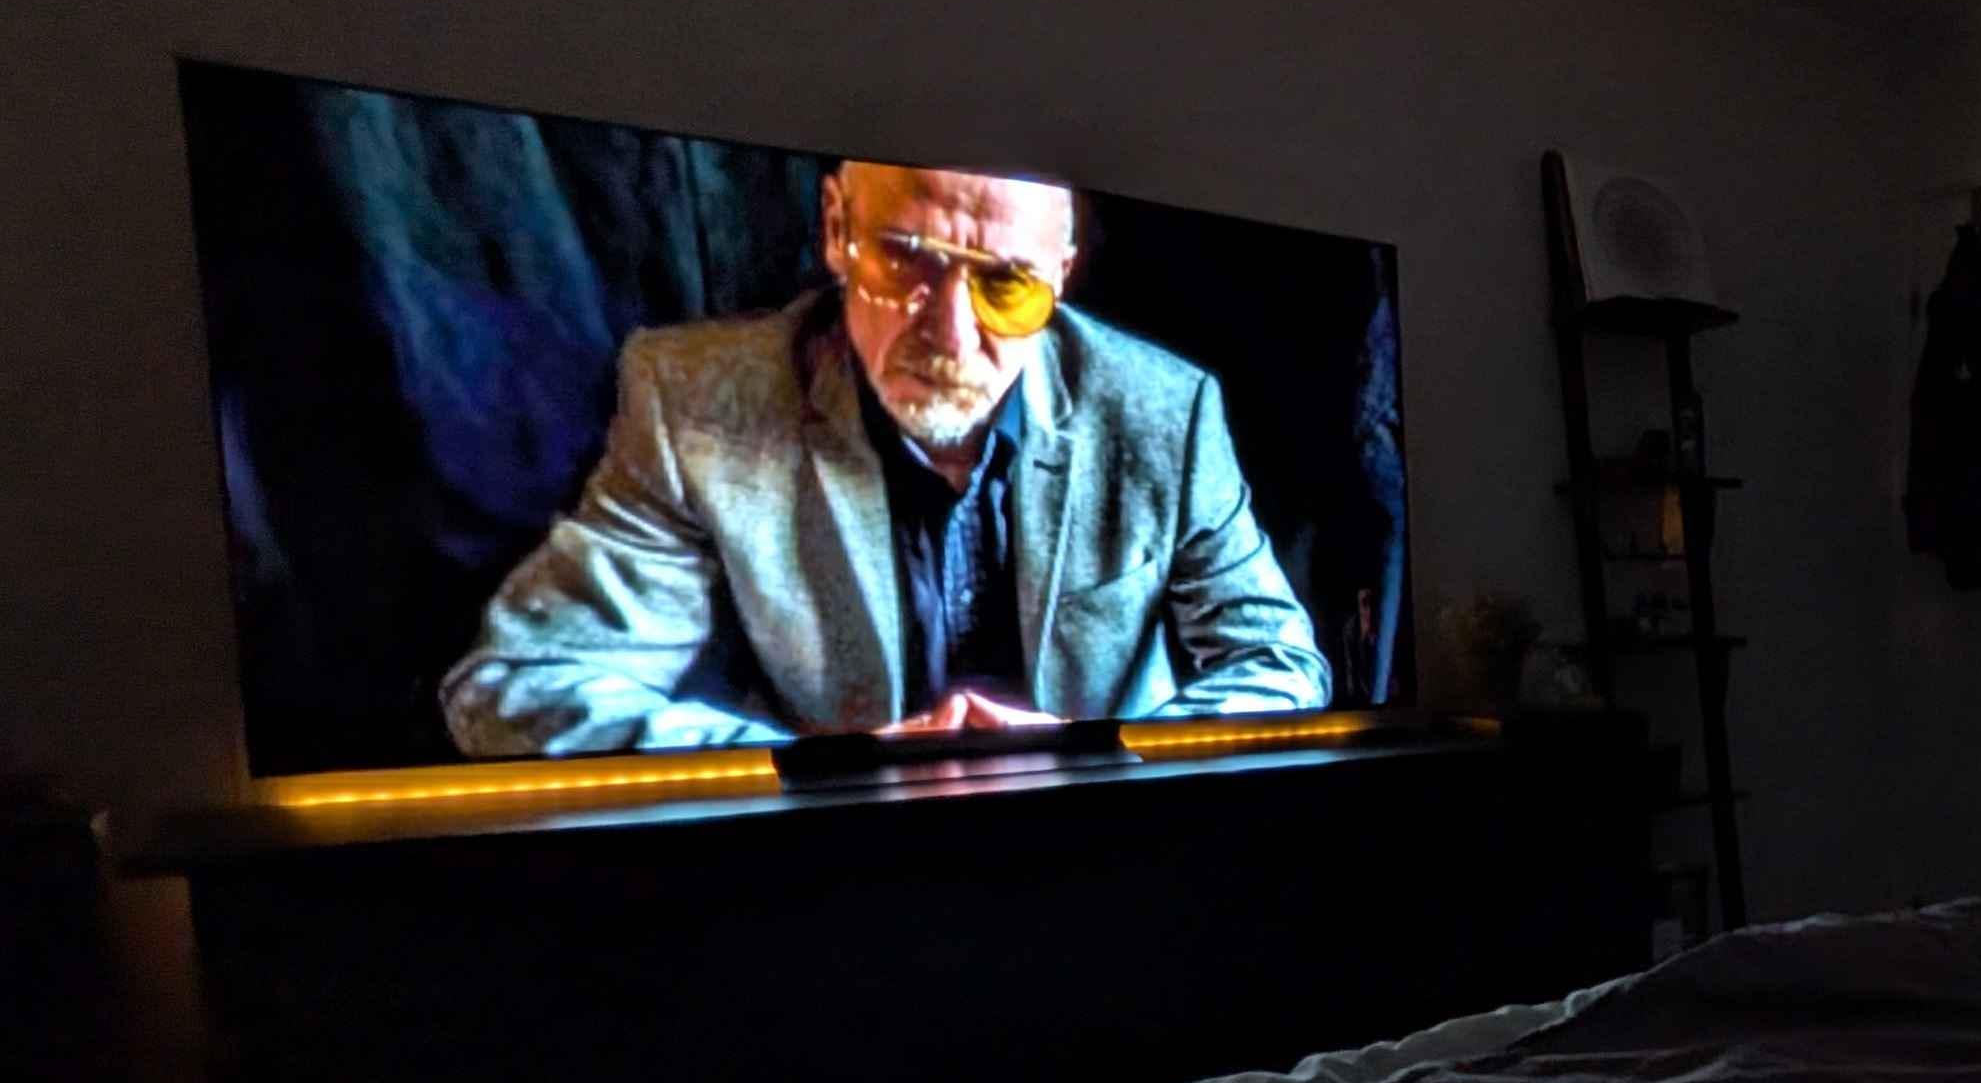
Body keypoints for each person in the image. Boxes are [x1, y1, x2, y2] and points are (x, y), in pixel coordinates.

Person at [442, 162, 1329, 755]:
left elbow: (1280, 663)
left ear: (1059, 277)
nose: (950, 335)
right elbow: (518, 688)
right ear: (837, 229)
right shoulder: (697, 404)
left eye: (1007, 285)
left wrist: (1091, 756)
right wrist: (835, 772)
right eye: (906, 261)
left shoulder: (1164, 410)